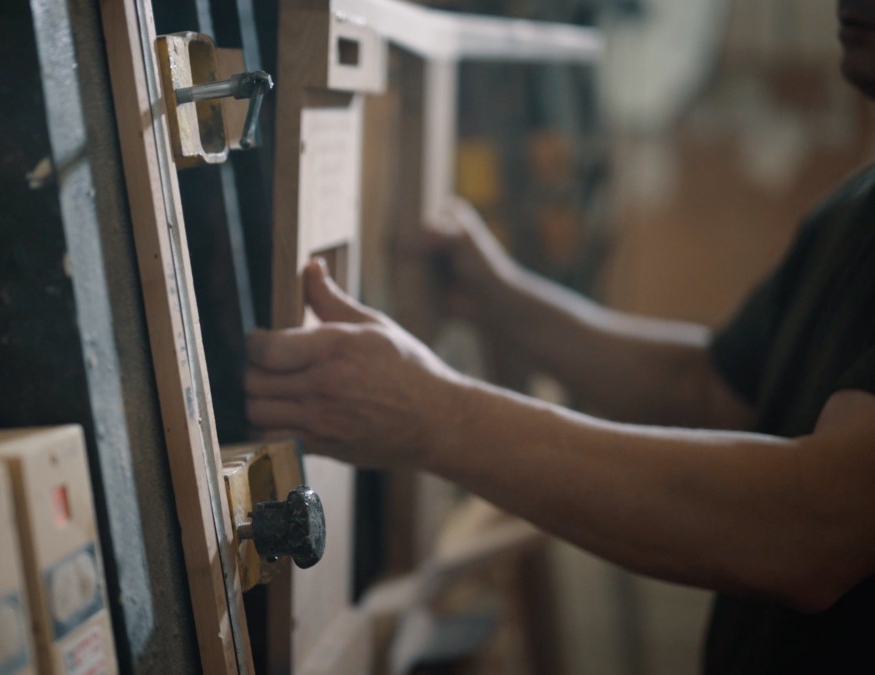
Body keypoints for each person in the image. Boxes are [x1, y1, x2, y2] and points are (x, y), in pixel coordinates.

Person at [245, 2, 875, 672]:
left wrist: (436, 415)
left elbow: (810, 524)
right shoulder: (856, 207)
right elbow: (714, 387)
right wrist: (505, 300)